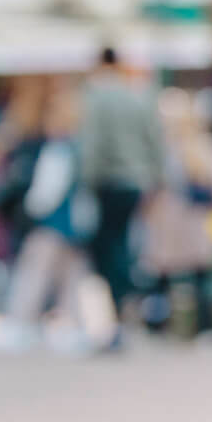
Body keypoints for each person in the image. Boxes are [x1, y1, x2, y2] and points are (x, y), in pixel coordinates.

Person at [0, 85, 99, 354]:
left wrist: (29, 214)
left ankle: (22, 323)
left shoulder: (59, 149)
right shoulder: (81, 147)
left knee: (33, 274)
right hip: (75, 227)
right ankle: (73, 329)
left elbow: (46, 191)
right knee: (72, 280)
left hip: (50, 224)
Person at [77, 47, 164, 340]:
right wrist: (156, 179)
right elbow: (155, 140)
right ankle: (128, 305)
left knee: (109, 249)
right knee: (125, 243)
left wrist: (85, 181)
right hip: (137, 180)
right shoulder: (138, 95)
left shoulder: (97, 96)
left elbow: (93, 144)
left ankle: (117, 310)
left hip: (109, 181)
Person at [139, 89, 212, 344]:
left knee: (184, 279)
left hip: (183, 222)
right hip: (174, 222)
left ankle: (196, 328)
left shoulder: (192, 146)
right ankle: (160, 327)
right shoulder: (170, 147)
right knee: (165, 279)